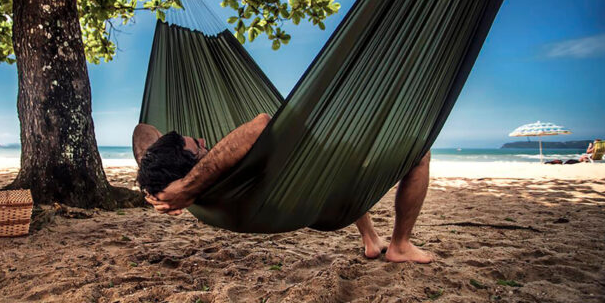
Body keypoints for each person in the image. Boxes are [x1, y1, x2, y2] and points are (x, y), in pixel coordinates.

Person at [133, 113, 434, 264]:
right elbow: (263, 123)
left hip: (321, 189)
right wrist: (185, 186)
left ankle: (371, 238)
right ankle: (400, 245)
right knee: (420, 154)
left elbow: (143, 132)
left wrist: (160, 189)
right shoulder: (215, 176)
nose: (203, 140)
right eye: (197, 145)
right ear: (192, 165)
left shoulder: (200, 192)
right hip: (323, 194)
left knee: (330, 160)